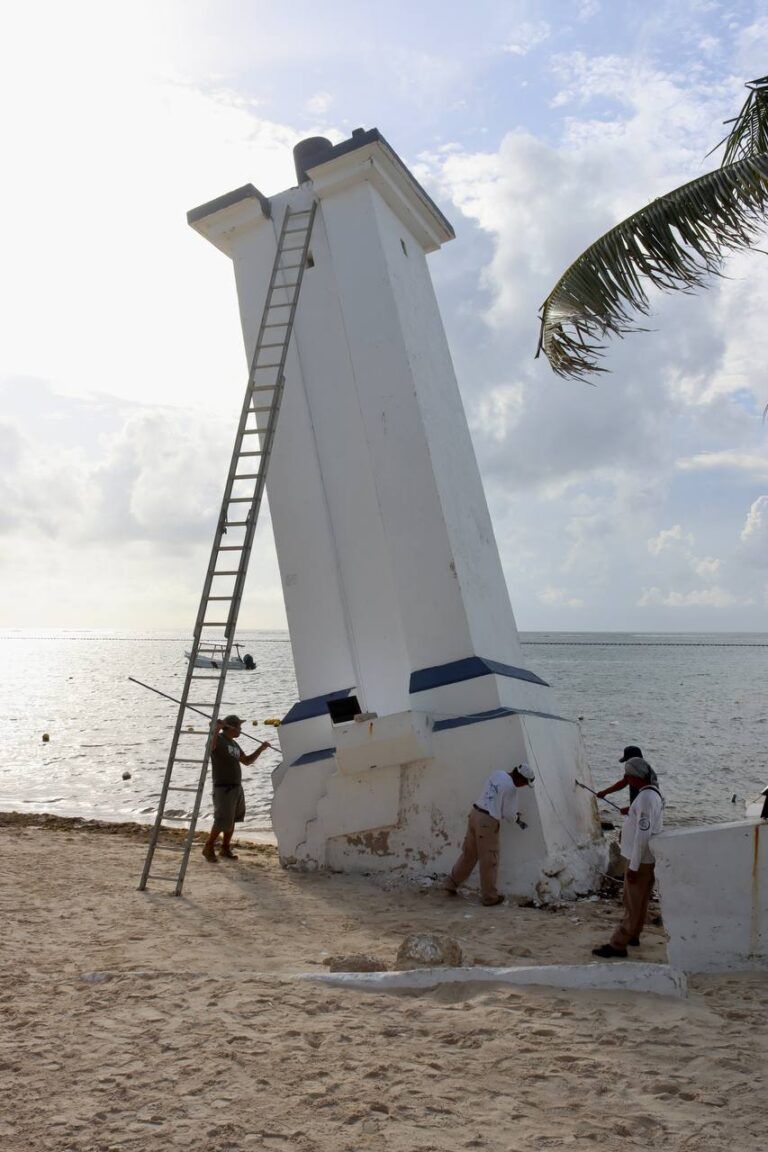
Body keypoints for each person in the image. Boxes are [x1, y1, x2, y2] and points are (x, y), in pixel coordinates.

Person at [592, 758, 664, 957]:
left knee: (632, 902)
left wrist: (633, 866)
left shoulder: (645, 798)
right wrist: (631, 813)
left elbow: (642, 835)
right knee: (640, 901)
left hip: (639, 860)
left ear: (635, 776)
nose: (626, 779)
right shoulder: (652, 793)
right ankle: (634, 934)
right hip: (646, 859)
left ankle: (618, 943)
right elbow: (644, 821)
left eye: (627, 775)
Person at [444, 763, 535, 906]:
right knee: (489, 860)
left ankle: (450, 883)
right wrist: (517, 817)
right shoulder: (511, 788)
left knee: (469, 854)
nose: (523, 786)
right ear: (521, 779)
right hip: (487, 822)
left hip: (475, 814)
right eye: (525, 783)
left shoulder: (498, 773)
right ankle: (490, 897)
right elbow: (509, 815)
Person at [202, 714, 269, 863]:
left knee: (232, 820)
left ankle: (225, 848)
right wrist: (215, 730)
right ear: (231, 727)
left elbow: (246, 761)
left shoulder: (234, 744)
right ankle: (208, 846)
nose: (240, 729)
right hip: (223, 787)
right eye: (239, 726)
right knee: (221, 820)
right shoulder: (219, 739)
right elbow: (210, 748)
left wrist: (261, 749)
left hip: (236, 787)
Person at [596, 745, 657, 814]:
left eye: (629, 776)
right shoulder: (645, 773)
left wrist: (631, 809)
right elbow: (623, 782)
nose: (628, 777)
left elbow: (646, 804)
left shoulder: (646, 790)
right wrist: (604, 792)